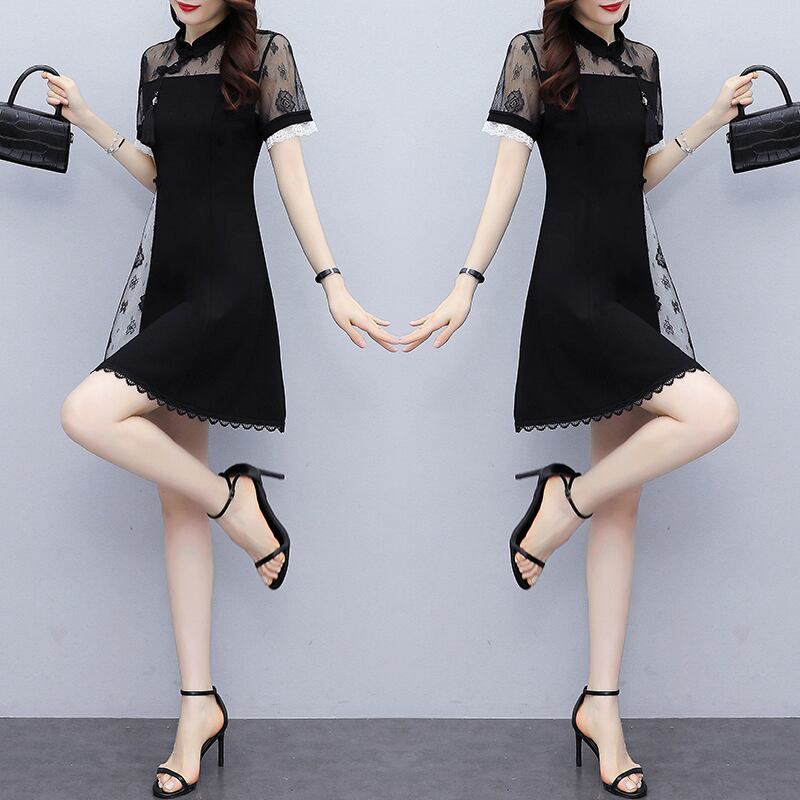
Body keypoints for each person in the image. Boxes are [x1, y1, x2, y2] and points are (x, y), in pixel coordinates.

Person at [44, 1, 398, 795]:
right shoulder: (157, 61)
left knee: (87, 413)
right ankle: (198, 707)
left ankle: (237, 506)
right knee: (179, 509)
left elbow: (290, 176)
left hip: (228, 289)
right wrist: (93, 122)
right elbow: (163, 179)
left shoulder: (266, 52)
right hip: (169, 290)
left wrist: (333, 282)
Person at [400, 1, 752, 795]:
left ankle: (601, 708)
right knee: (712, 413)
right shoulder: (534, 52)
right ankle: (562, 506)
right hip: (571, 289)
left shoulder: (642, 61)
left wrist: (706, 122)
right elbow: (509, 177)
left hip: (629, 290)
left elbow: (636, 178)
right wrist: (466, 282)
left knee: (620, 508)